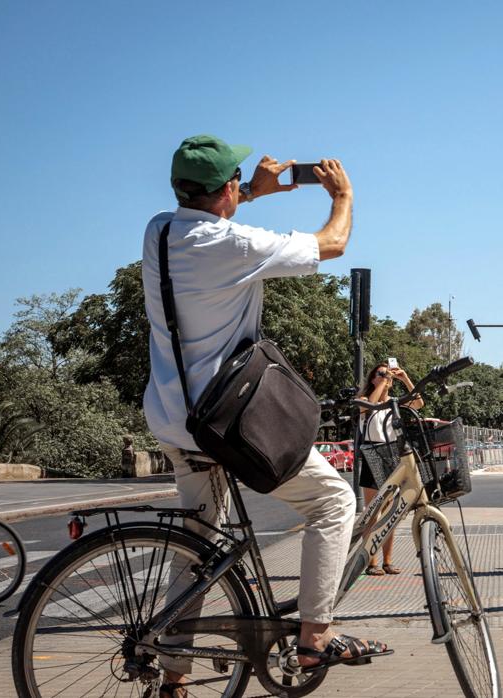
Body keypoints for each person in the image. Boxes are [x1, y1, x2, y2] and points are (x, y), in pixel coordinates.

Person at [142, 135, 385, 696]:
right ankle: (314, 640)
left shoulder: (158, 231)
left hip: (174, 418)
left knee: (196, 542)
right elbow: (334, 243)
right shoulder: (236, 245)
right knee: (334, 501)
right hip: (226, 422)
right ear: (224, 187)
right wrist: (342, 195)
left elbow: (206, 215)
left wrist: (253, 192)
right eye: (236, 184)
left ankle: (173, 676)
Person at [359, 361, 423, 576]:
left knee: (389, 513)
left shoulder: (394, 403)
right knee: (372, 513)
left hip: (390, 455)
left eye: (387, 374)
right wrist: (383, 382)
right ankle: (371, 561)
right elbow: (370, 405)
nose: (386, 377)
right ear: (372, 379)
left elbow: (419, 403)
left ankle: (387, 560)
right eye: (380, 373)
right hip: (371, 455)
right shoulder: (364, 401)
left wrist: (404, 378)